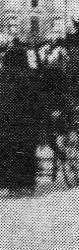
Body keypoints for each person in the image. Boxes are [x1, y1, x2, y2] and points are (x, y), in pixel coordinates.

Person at [0, 44, 42, 195]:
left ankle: (8, 182)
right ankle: (24, 182)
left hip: (4, 123)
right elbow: (37, 101)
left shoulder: (2, 76)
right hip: (26, 123)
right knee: (25, 150)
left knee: (5, 151)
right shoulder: (30, 76)